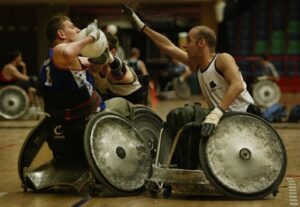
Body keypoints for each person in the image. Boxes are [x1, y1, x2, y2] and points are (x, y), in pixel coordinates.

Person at [122, 4, 261, 168]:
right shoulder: (197, 65)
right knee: (178, 118)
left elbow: (237, 85)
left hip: (245, 120)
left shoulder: (223, 59)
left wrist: (216, 113)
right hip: (222, 120)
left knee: (182, 115)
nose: (185, 45)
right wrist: (142, 27)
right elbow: (169, 47)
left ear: (201, 43)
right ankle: (170, 162)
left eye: (189, 40)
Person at [40, 15, 134, 164]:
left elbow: (90, 64)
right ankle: (130, 154)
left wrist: (105, 57)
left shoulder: (49, 61)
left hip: (64, 124)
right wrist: (91, 37)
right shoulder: (60, 50)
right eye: (72, 27)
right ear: (61, 34)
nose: (77, 29)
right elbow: (66, 53)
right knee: (124, 104)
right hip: (88, 120)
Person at [91, 33, 148, 105]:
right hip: (111, 103)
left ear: (112, 51)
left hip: (132, 105)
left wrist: (110, 58)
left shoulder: (115, 67)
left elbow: (118, 70)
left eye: (101, 48)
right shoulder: (92, 65)